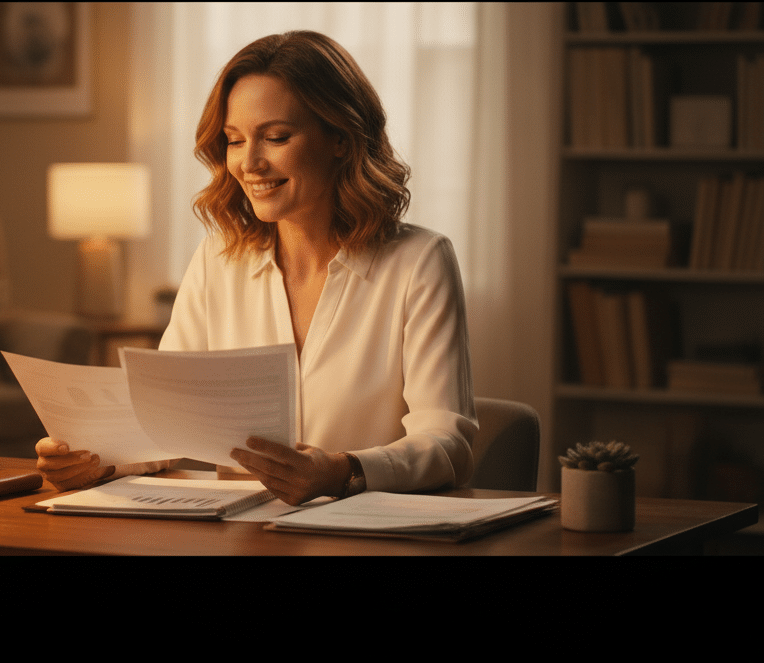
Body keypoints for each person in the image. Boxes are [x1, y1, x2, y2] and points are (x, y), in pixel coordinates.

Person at [36, 31, 476, 505]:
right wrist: (96, 457)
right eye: (234, 141)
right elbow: (161, 424)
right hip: (240, 538)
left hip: (362, 534)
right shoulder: (216, 260)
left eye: (276, 137)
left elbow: (448, 443)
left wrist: (344, 470)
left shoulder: (420, 262)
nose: (250, 163)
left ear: (341, 140)